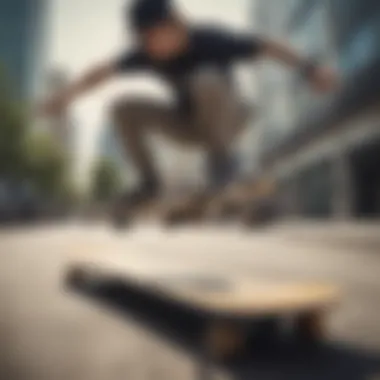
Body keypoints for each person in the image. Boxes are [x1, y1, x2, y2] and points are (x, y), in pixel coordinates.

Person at [41, 0, 338, 220]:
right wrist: (65, 98)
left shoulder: (211, 39)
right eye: (144, 41)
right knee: (123, 107)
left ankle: (223, 162)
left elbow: (267, 46)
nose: (153, 48)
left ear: (176, 24)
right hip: (189, 127)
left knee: (205, 79)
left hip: (230, 120)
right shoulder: (147, 54)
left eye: (156, 37)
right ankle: (149, 183)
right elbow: (101, 72)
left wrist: (310, 69)